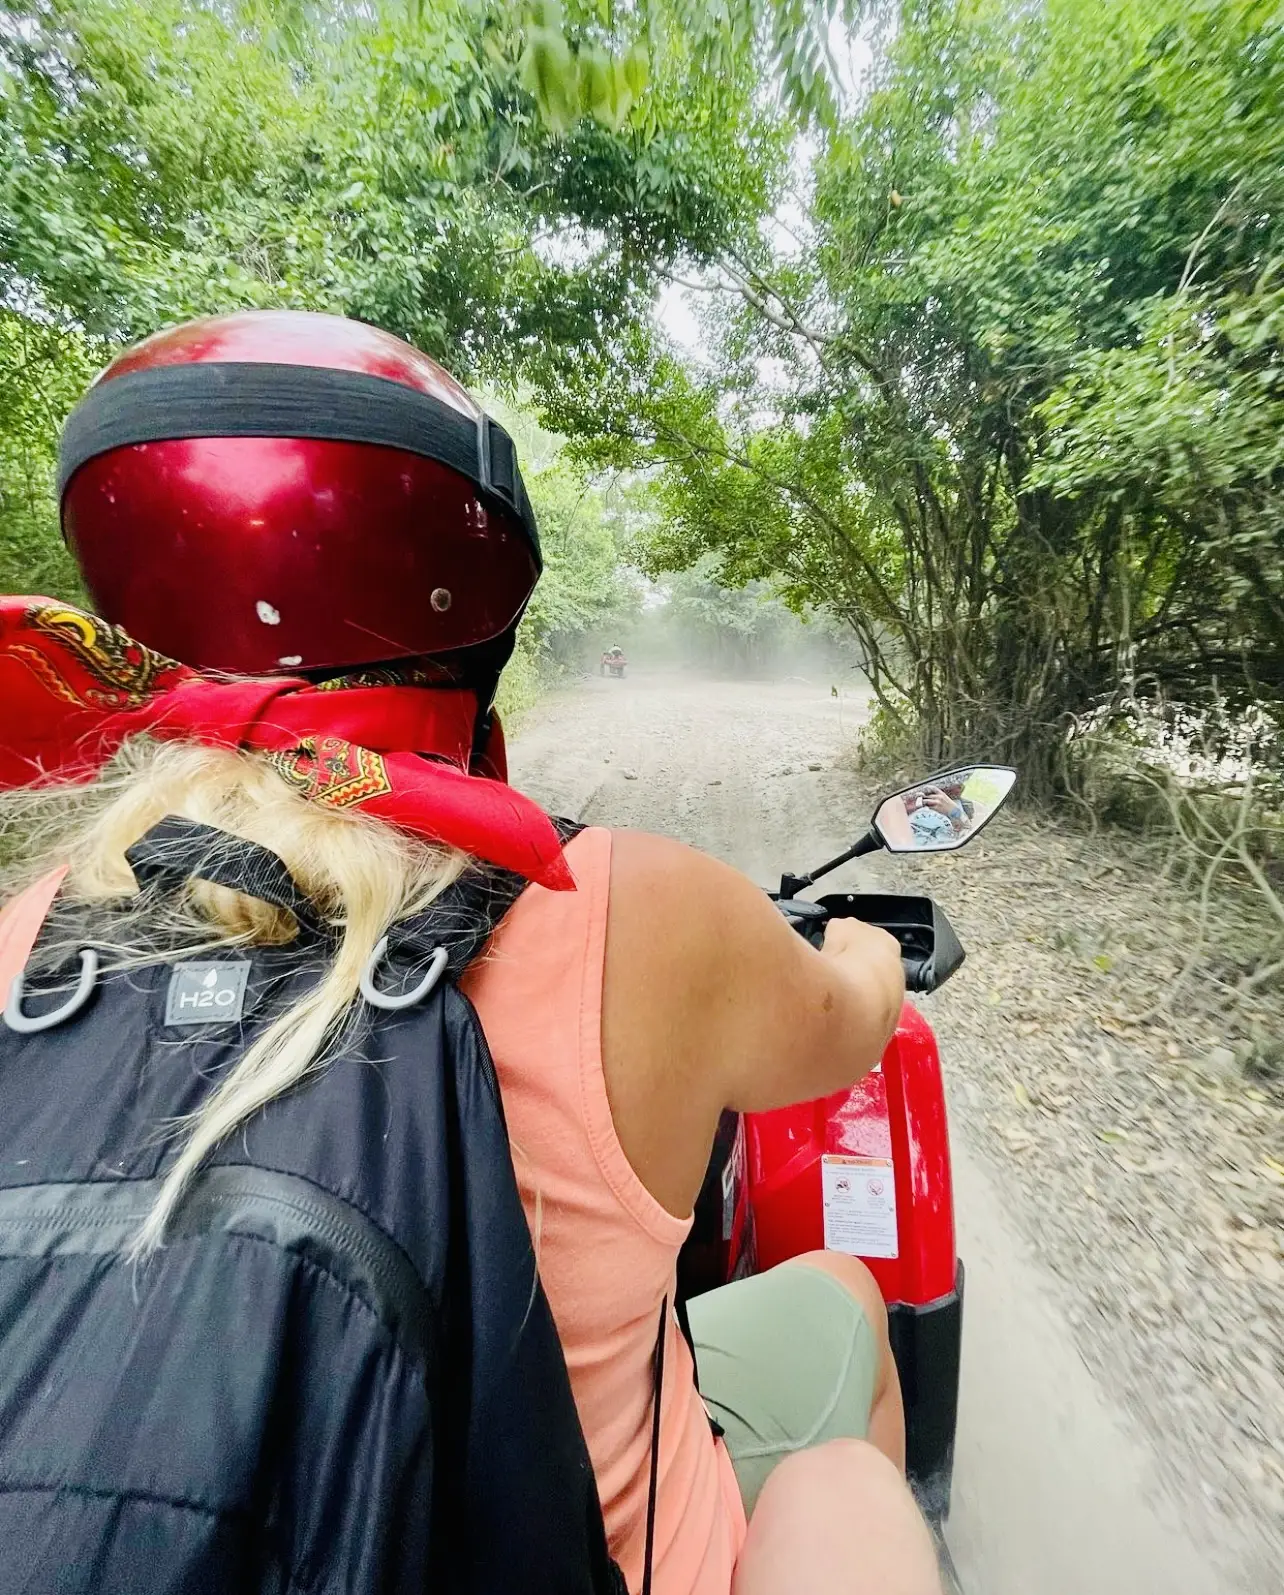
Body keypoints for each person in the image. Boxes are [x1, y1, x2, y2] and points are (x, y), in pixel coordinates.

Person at [0, 311, 941, 1595]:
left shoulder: (37, 933)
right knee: (844, 1411)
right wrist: (859, 950)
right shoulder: (630, 906)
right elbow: (852, 1025)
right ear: (477, 634)